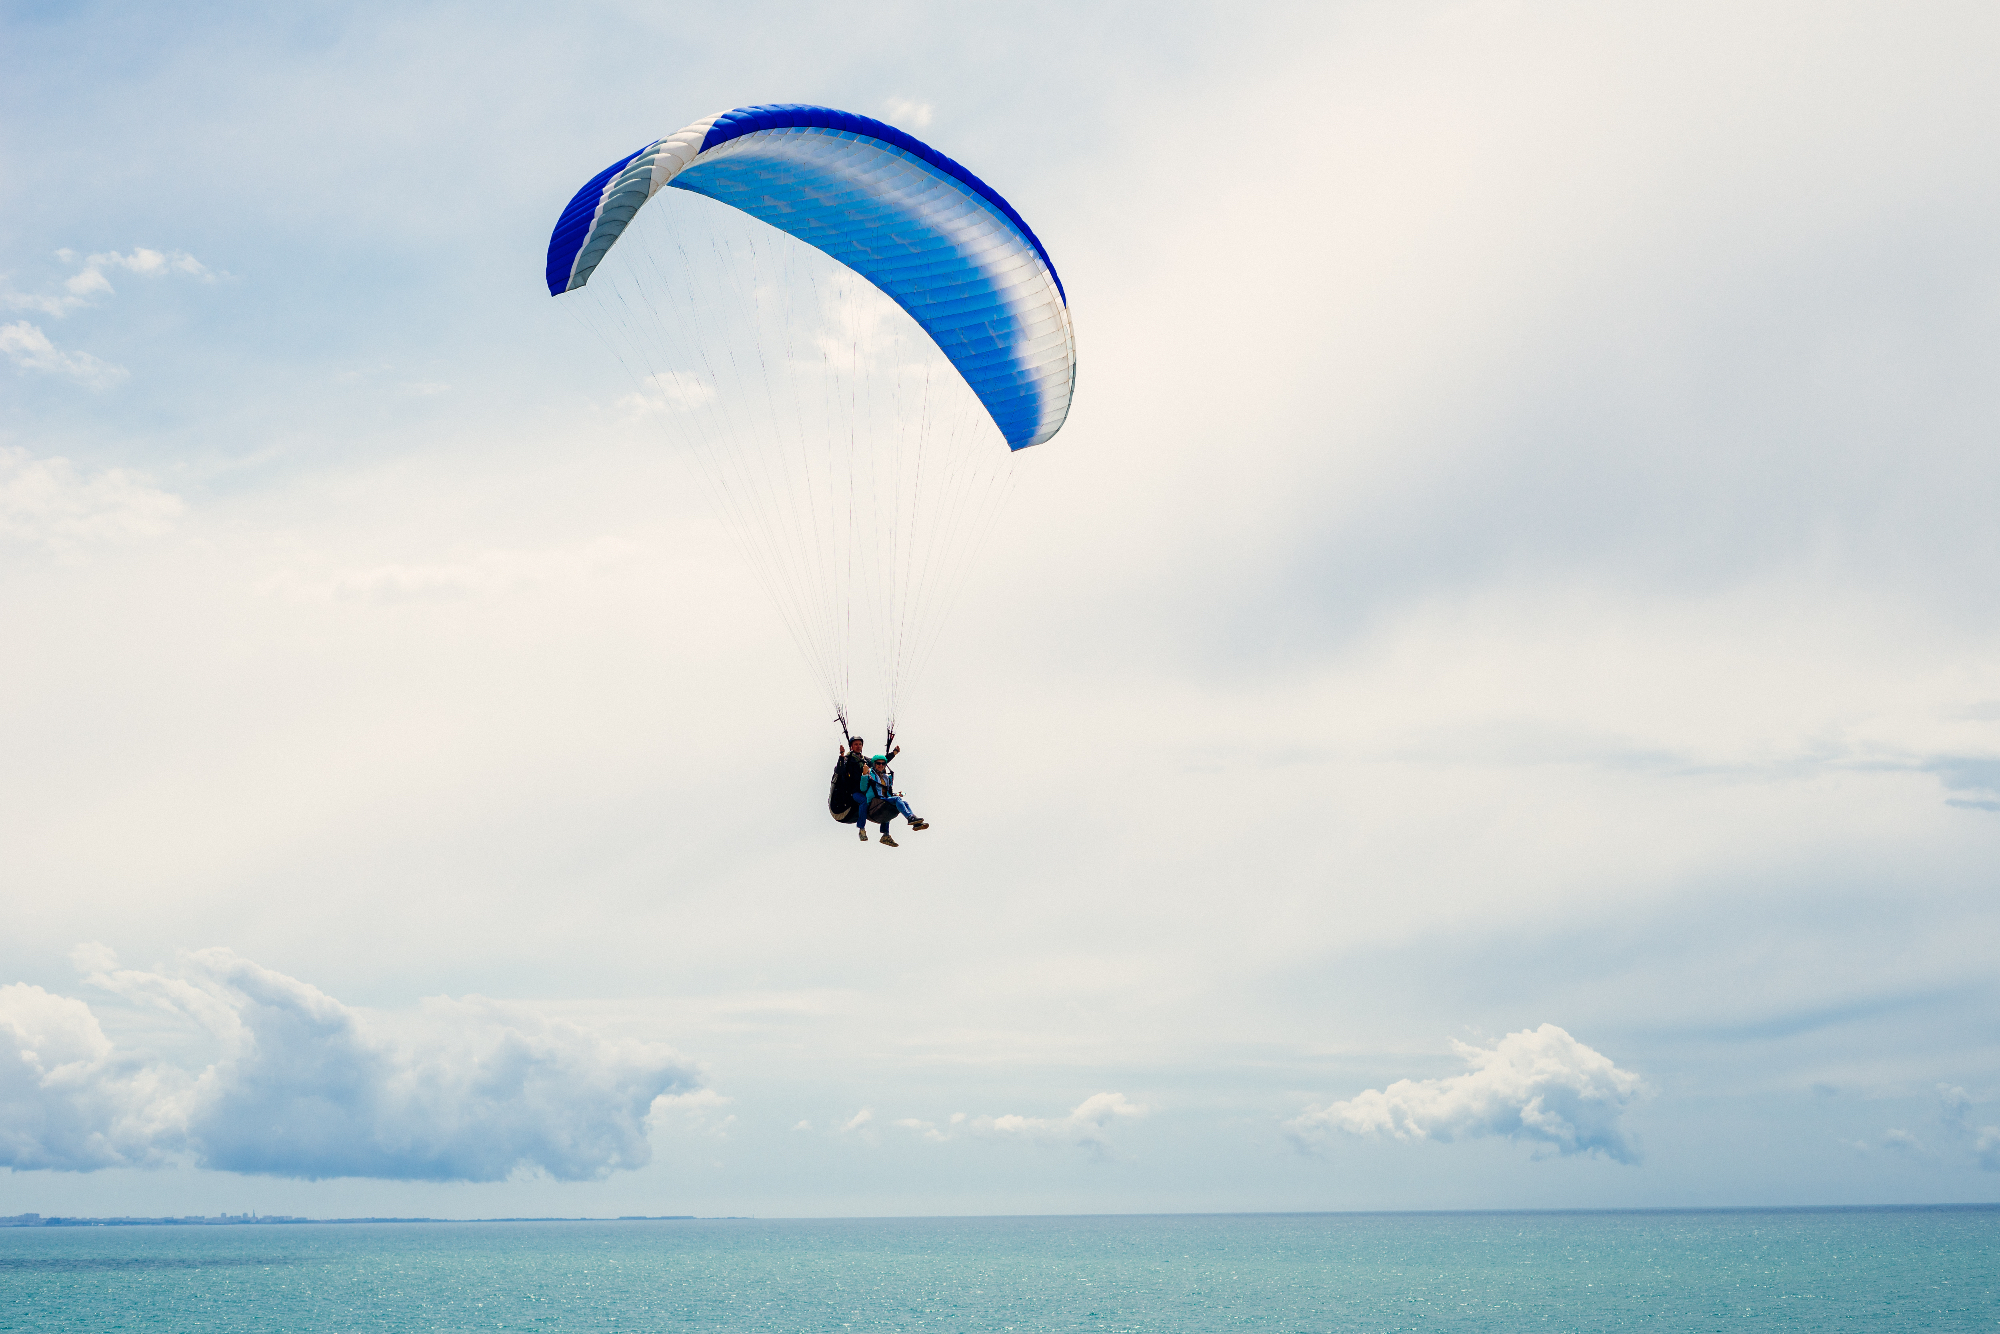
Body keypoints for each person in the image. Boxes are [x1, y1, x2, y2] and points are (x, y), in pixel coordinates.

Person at [863, 755, 928, 846]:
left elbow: (886, 793)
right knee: (896, 800)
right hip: (874, 802)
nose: (881, 765)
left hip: (883, 800)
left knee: (903, 802)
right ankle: (910, 818)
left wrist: (895, 794)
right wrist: (864, 775)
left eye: (883, 763)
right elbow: (862, 788)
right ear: (874, 764)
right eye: (878, 763)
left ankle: (913, 823)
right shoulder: (870, 774)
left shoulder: (886, 778)